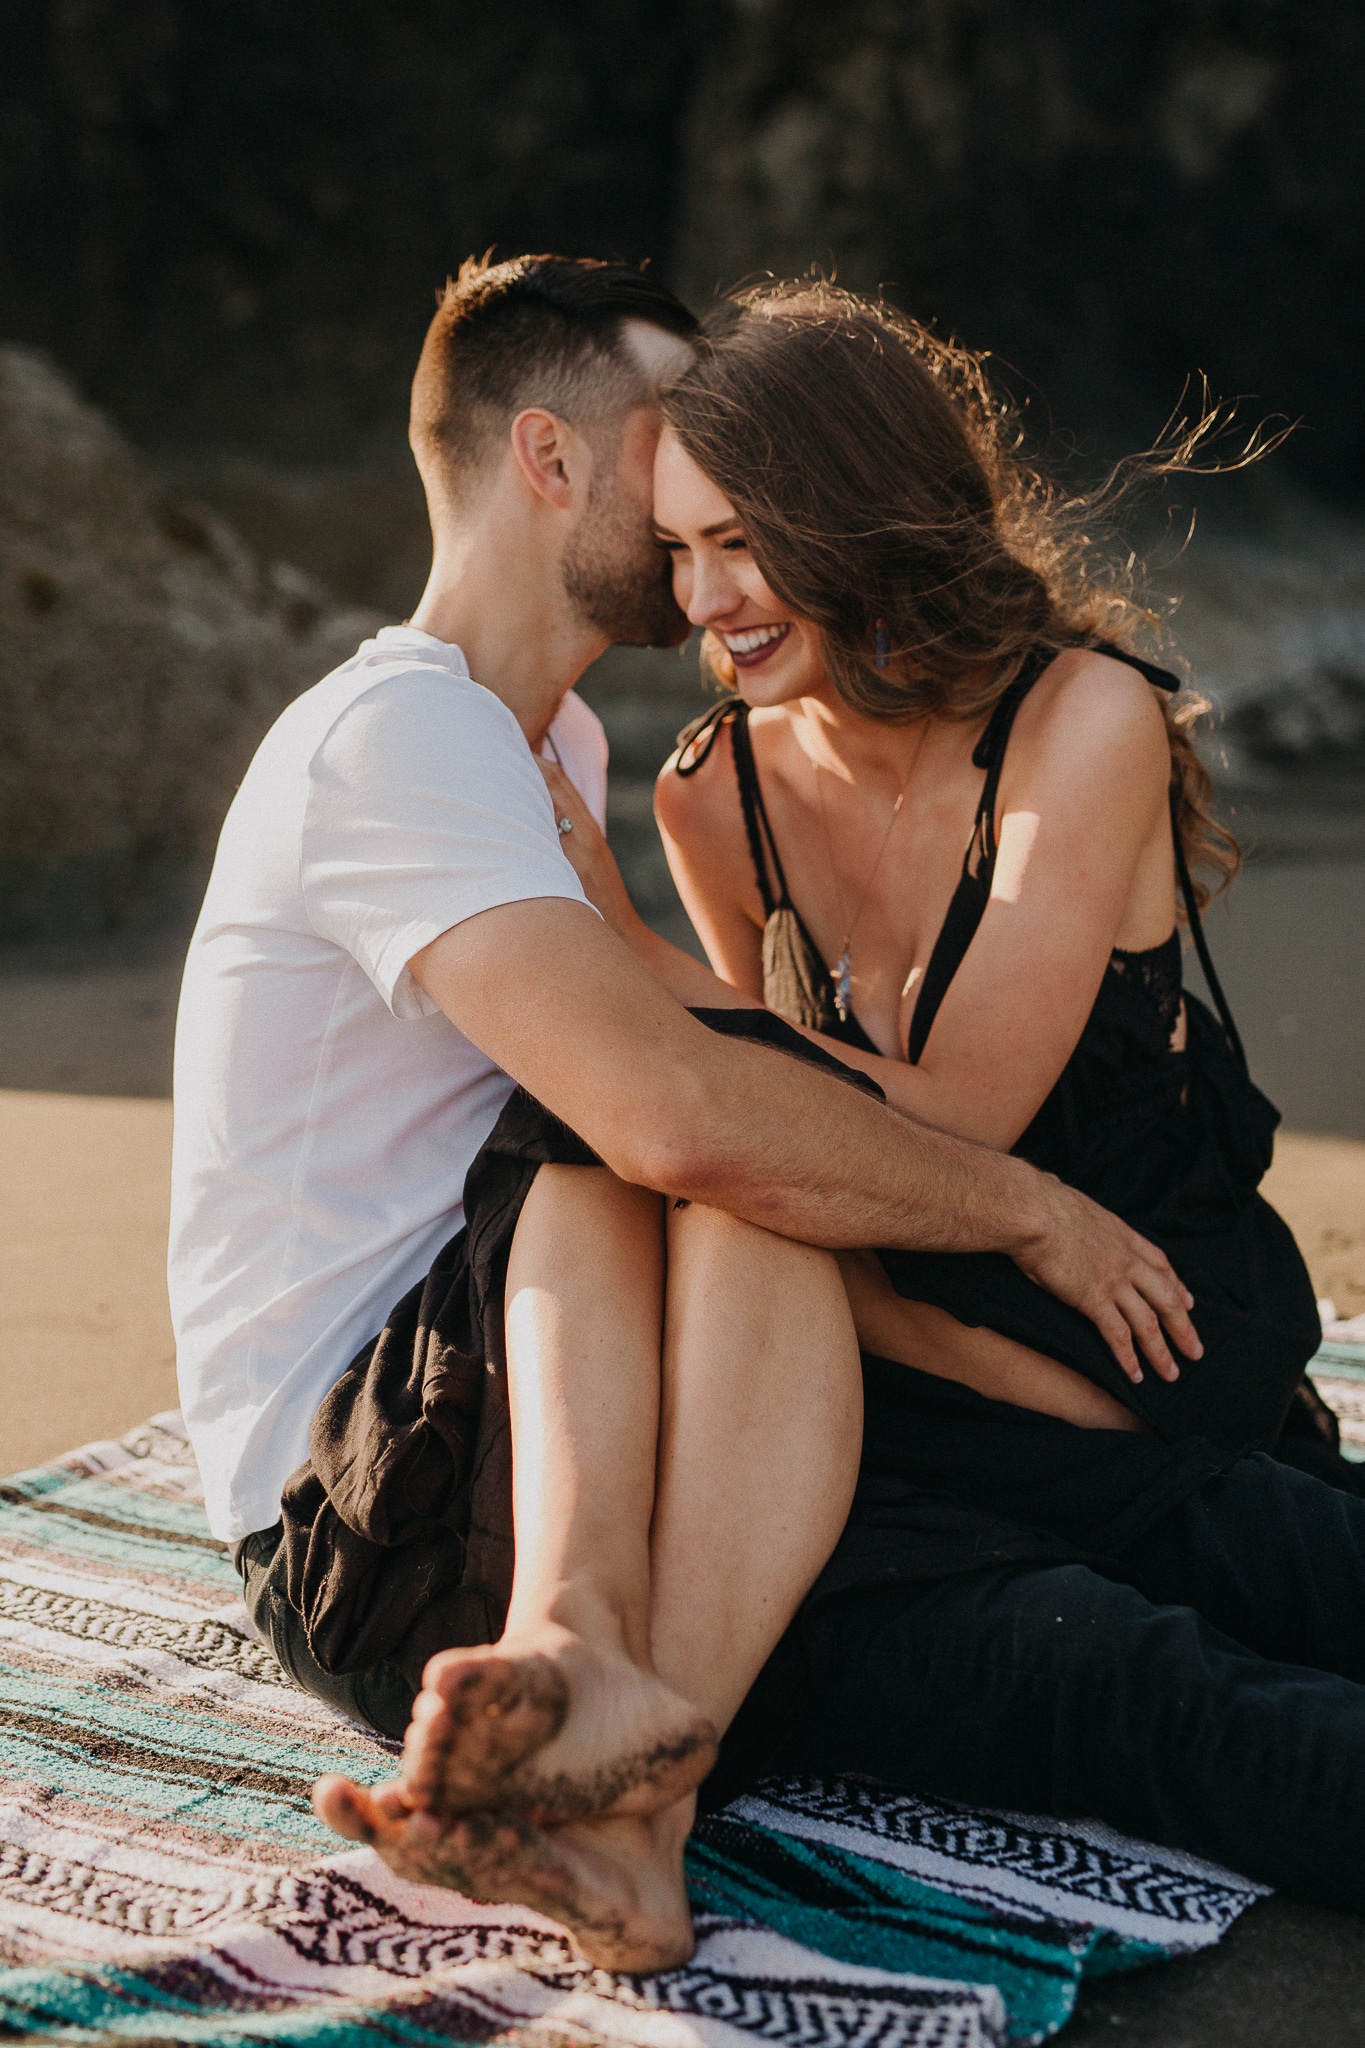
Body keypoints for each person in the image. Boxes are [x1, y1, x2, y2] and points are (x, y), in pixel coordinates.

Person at [170, 255, 1191, 1972]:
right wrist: (1027, 1215)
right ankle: (589, 1666)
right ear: (557, 461)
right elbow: (671, 1126)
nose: (704, 487)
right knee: (670, 1115)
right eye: (670, 436)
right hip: (368, 1512)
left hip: (486, 1427)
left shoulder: (542, 742)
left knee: (711, 1115)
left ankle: (631, 1791)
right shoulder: (396, 737)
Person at [536, 279, 1365, 1915]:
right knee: (1147, 1676)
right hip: (933, 1360)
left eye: (744, 541)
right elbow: (809, 1144)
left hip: (1161, 1335)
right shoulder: (718, 794)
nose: (708, 599)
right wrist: (676, 993)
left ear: (857, 511)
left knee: (1284, 1571)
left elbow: (961, 1111)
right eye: (680, 552)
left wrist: (636, 961)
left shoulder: (1080, 718)